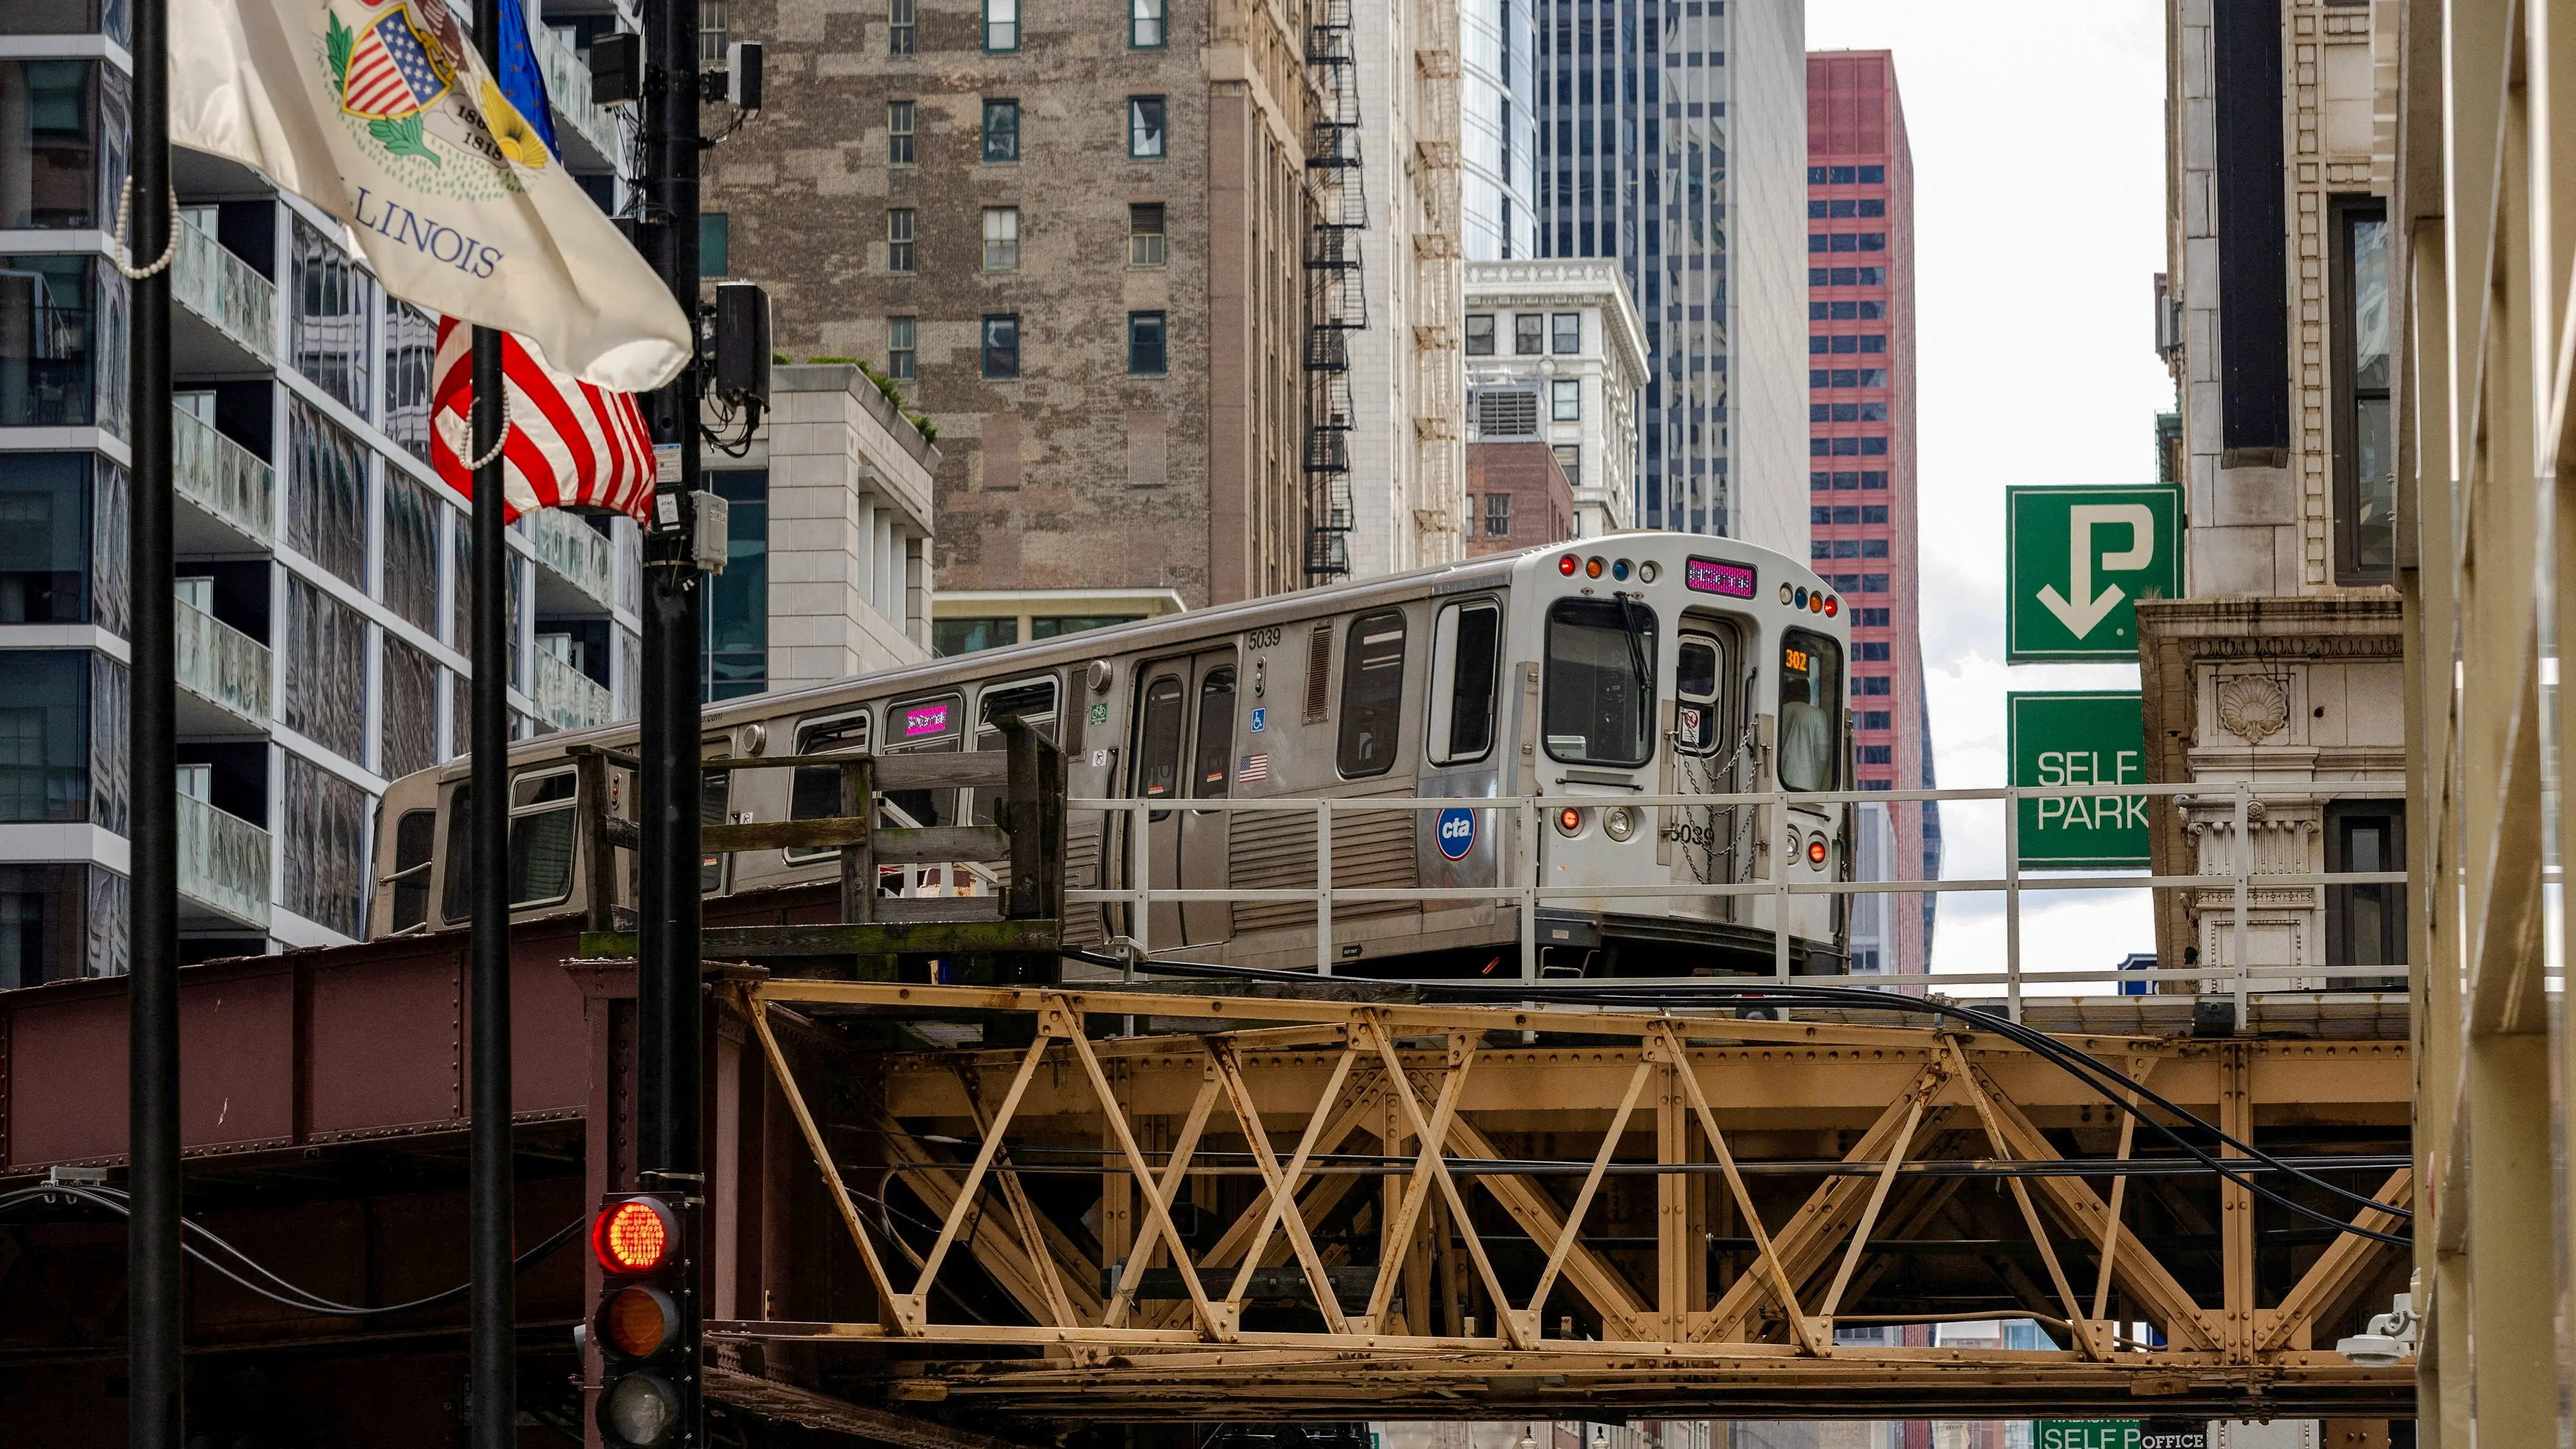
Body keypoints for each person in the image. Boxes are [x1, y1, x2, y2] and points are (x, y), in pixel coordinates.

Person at [1777, 676, 1832, 791]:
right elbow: (1822, 756)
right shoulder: (1817, 715)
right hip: (1806, 785)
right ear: (1806, 693)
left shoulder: (1779, 712)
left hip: (1778, 783)